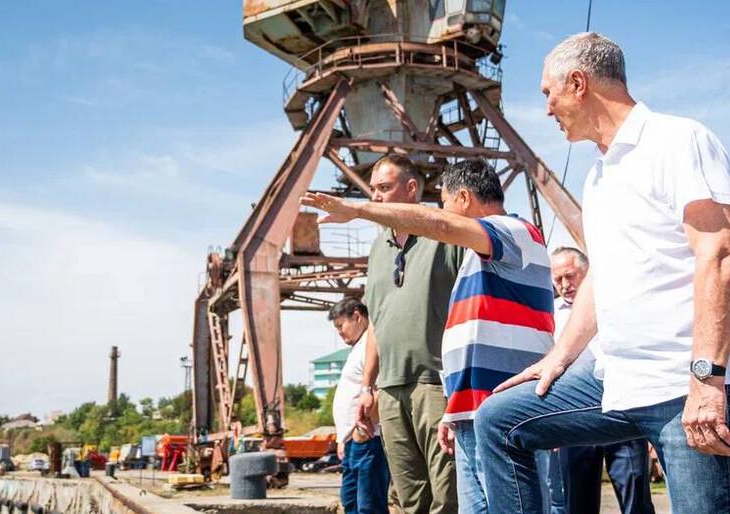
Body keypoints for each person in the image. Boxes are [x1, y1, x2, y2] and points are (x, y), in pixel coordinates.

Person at [471, 32, 730, 514]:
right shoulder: (598, 174)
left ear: (578, 83)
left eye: (549, 92)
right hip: (613, 380)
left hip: (681, 386)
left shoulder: (677, 140)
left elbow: (718, 254)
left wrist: (707, 381)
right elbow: (603, 274)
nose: (546, 108)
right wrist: (559, 358)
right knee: (497, 421)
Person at [302, 158, 555, 514]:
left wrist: (357, 210)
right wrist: (454, 408)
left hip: (500, 403)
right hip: (469, 405)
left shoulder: (511, 232)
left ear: (463, 199)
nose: (445, 215)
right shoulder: (473, 259)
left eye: (448, 205)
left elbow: (437, 223)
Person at [344, 154, 461, 514]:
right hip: (390, 391)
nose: (375, 198)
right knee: (410, 499)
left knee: (447, 495)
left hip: (436, 385)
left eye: (384, 188)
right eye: (372, 190)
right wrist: (367, 388)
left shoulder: (446, 233)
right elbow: (377, 322)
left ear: (411, 189)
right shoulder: (379, 249)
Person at [549, 247, 655, 514]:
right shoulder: (550, 313)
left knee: (636, 500)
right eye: (557, 279)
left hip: (622, 410)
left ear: (588, 273)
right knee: (577, 502)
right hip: (573, 419)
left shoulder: (617, 302)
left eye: (570, 276)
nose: (564, 285)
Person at [328, 297, 391, 514]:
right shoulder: (358, 347)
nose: (339, 332)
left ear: (357, 316)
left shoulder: (369, 345)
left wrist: (361, 432)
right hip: (353, 441)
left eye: (340, 325)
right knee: (351, 503)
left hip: (368, 439)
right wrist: (342, 438)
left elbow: (379, 388)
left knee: (369, 506)